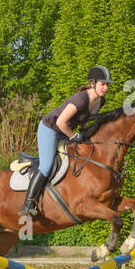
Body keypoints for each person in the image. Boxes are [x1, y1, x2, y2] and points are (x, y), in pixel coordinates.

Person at [21, 65, 112, 218]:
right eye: (103, 84)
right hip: (50, 129)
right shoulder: (81, 98)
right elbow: (61, 123)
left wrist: (84, 132)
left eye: (107, 84)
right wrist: (74, 136)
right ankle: (28, 204)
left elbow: (83, 119)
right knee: (46, 165)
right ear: (92, 83)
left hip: (65, 131)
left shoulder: (100, 101)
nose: (106, 88)